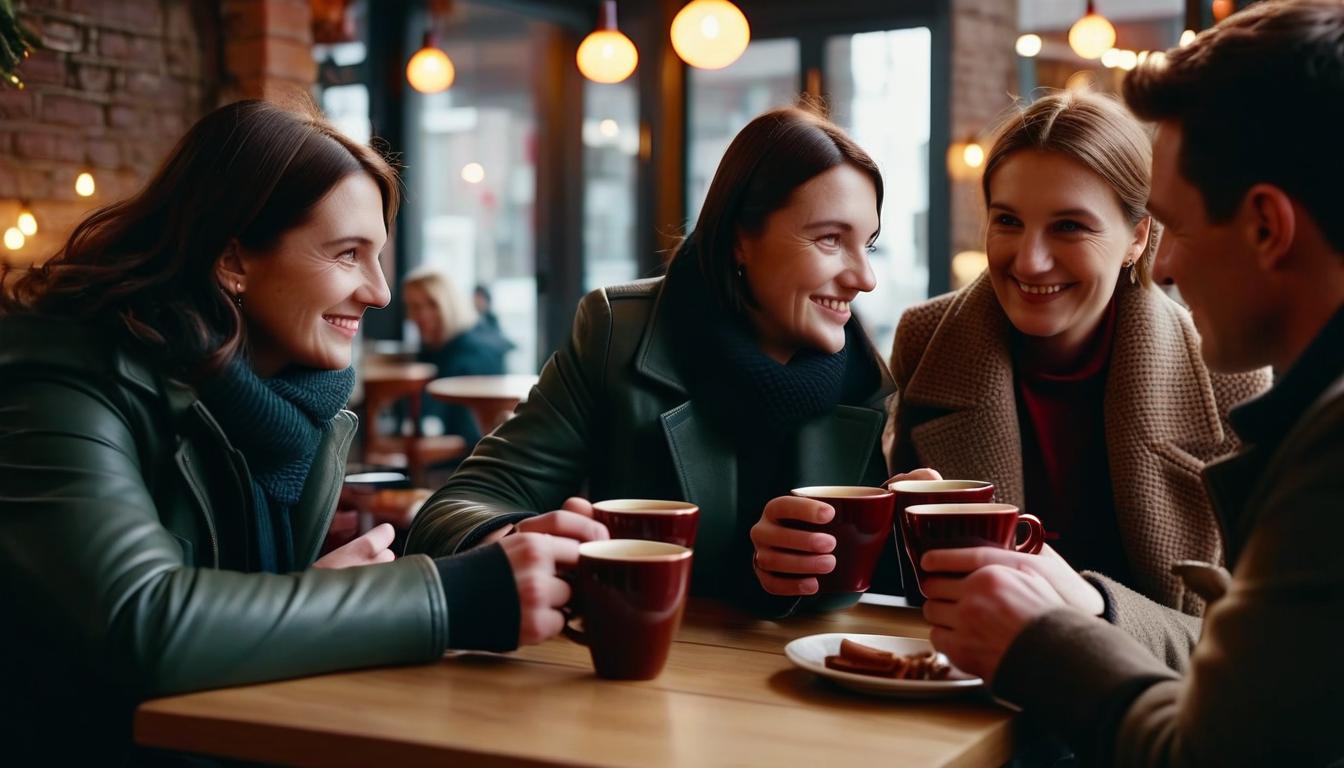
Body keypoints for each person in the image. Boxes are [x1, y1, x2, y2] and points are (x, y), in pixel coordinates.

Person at [0, 100, 579, 761]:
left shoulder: (286, 410)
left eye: (379, 256)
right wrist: (458, 595)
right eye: (347, 254)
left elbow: (229, 613)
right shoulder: (60, 381)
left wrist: (316, 597)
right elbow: (140, 621)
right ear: (233, 261)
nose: (380, 292)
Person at [920, 2, 1344, 763]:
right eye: (1006, 221)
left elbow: (1217, 744)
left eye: (1176, 227)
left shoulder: (1314, 434)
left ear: (1266, 228)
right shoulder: (928, 343)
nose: (1170, 270)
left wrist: (1064, 622)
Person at [406, 107, 895, 616]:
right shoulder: (619, 333)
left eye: (869, 244)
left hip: (794, 679)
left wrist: (904, 535)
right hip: (637, 671)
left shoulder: (862, 377)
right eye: (830, 240)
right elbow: (453, 509)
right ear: (739, 239)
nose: (864, 278)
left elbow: (866, 594)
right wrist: (509, 539)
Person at [874, 91, 1271, 662]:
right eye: (1007, 221)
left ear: (1138, 238)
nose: (1030, 260)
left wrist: (1091, 607)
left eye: (1069, 227)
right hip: (971, 710)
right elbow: (905, 594)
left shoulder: (1227, 375)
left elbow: (1258, 646)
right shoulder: (927, 340)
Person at [403, 267, 513, 444]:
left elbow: (471, 436)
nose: (422, 315)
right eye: (414, 307)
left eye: (432, 304)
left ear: (450, 305)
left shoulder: (474, 354)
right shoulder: (434, 350)